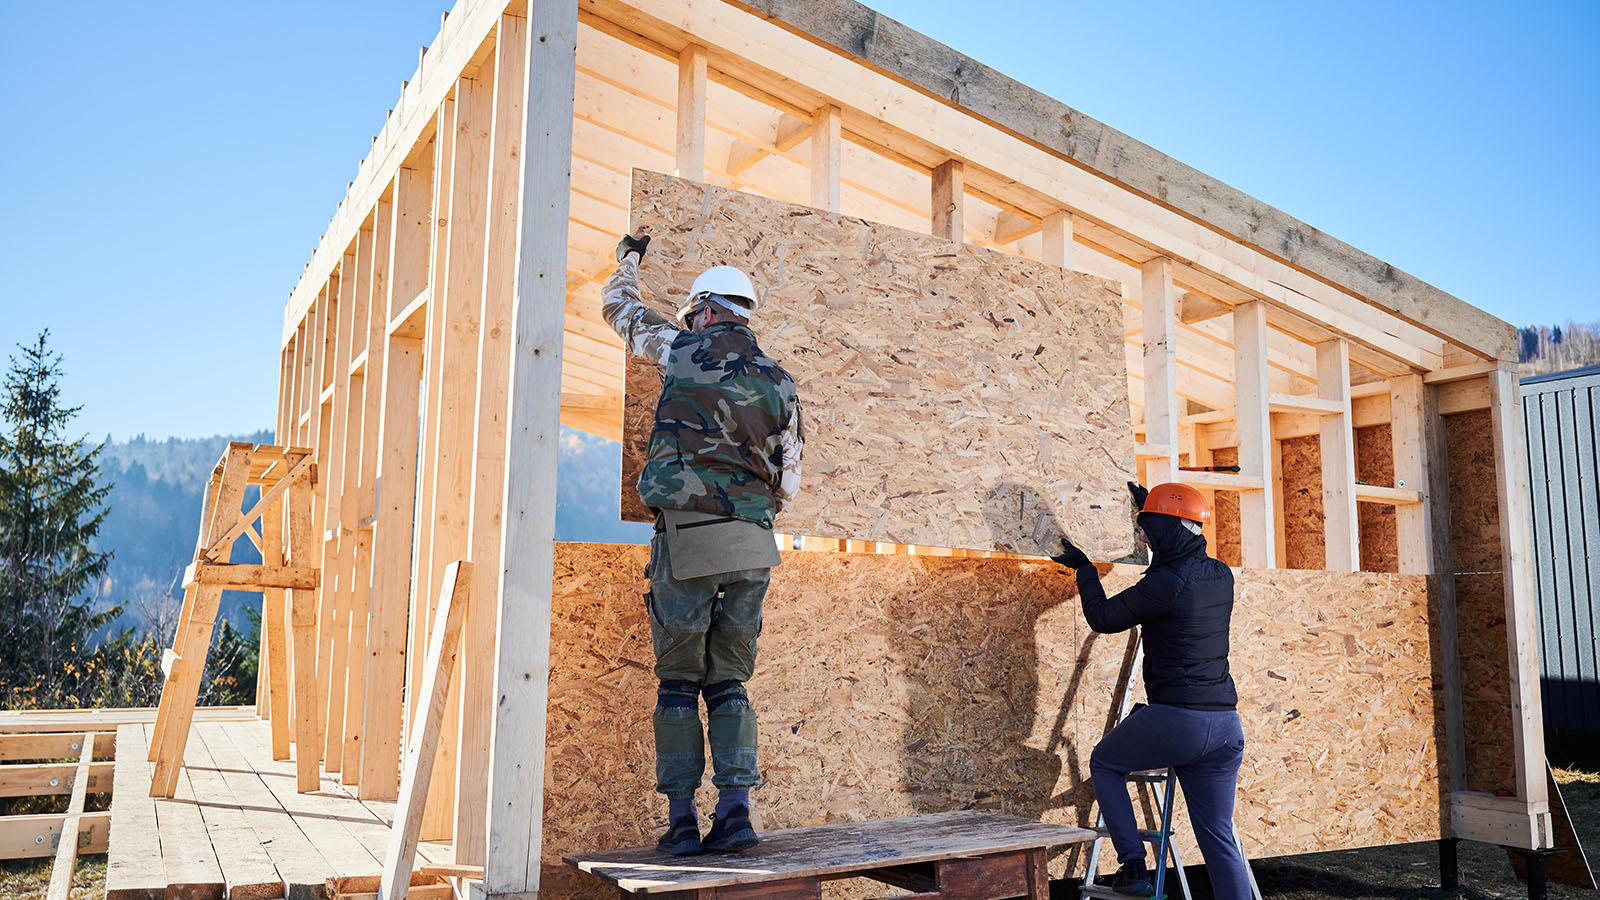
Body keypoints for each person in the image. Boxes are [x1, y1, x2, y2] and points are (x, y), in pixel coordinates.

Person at [602, 233, 804, 856]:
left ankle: (684, 824)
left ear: (709, 310)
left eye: (696, 312)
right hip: (752, 547)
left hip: (687, 543)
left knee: (678, 684)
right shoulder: (782, 382)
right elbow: (790, 479)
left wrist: (628, 260)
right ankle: (737, 814)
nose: (694, 321)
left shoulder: (681, 349)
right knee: (731, 683)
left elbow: (618, 309)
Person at [1052, 482, 1250, 899]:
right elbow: (1178, 539)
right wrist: (1154, 509)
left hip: (1179, 721)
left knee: (1105, 763)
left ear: (1167, 531)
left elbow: (1104, 618)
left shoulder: (1167, 582)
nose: (1142, 536)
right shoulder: (1220, 574)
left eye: (1148, 529)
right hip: (1226, 728)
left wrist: (1085, 570)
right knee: (1218, 837)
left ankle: (1132, 866)